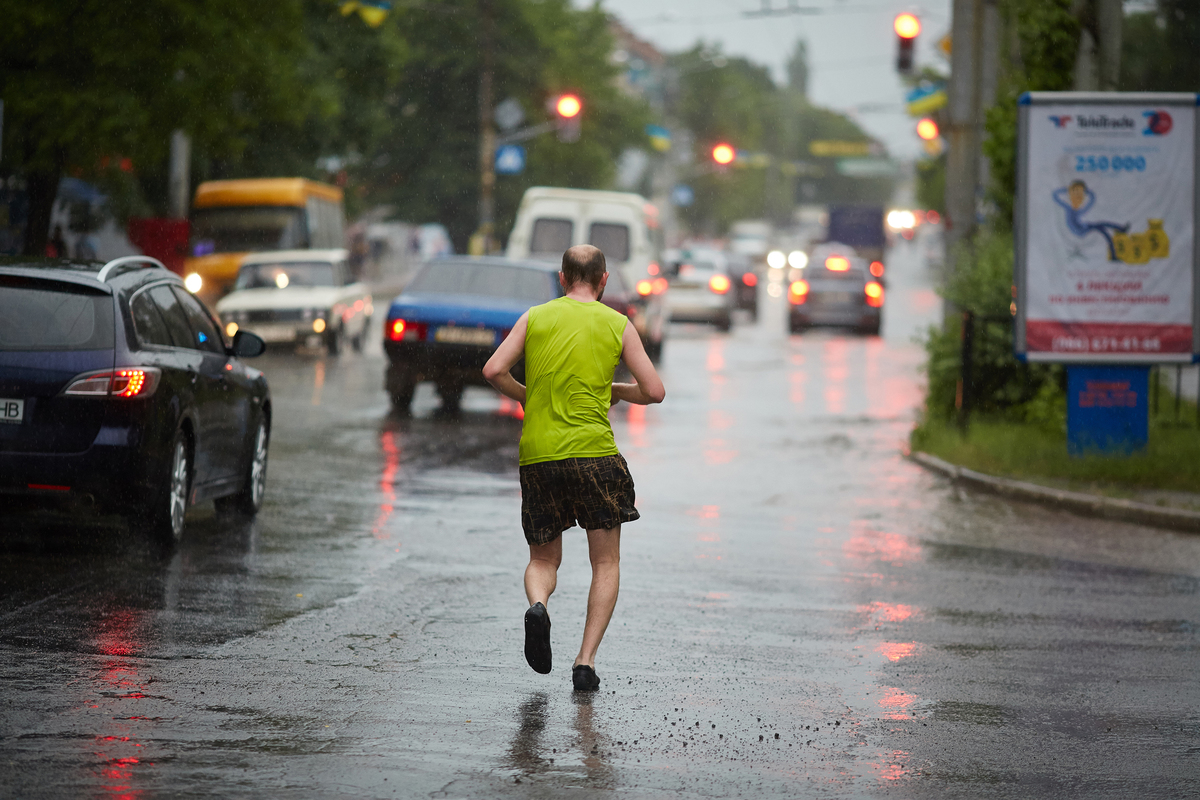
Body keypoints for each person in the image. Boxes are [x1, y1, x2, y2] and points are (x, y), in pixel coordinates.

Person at [483, 244, 665, 692]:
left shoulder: (536, 317)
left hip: (540, 456)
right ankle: (584, 662)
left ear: (562, 279)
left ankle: (539, 605)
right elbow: (655, 391)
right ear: (604, 281)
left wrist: (529, 396)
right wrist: (618, 389)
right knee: (605, 562)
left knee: (544, 558)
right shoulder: (617, 324)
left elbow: (493, 370)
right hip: (596, 457)